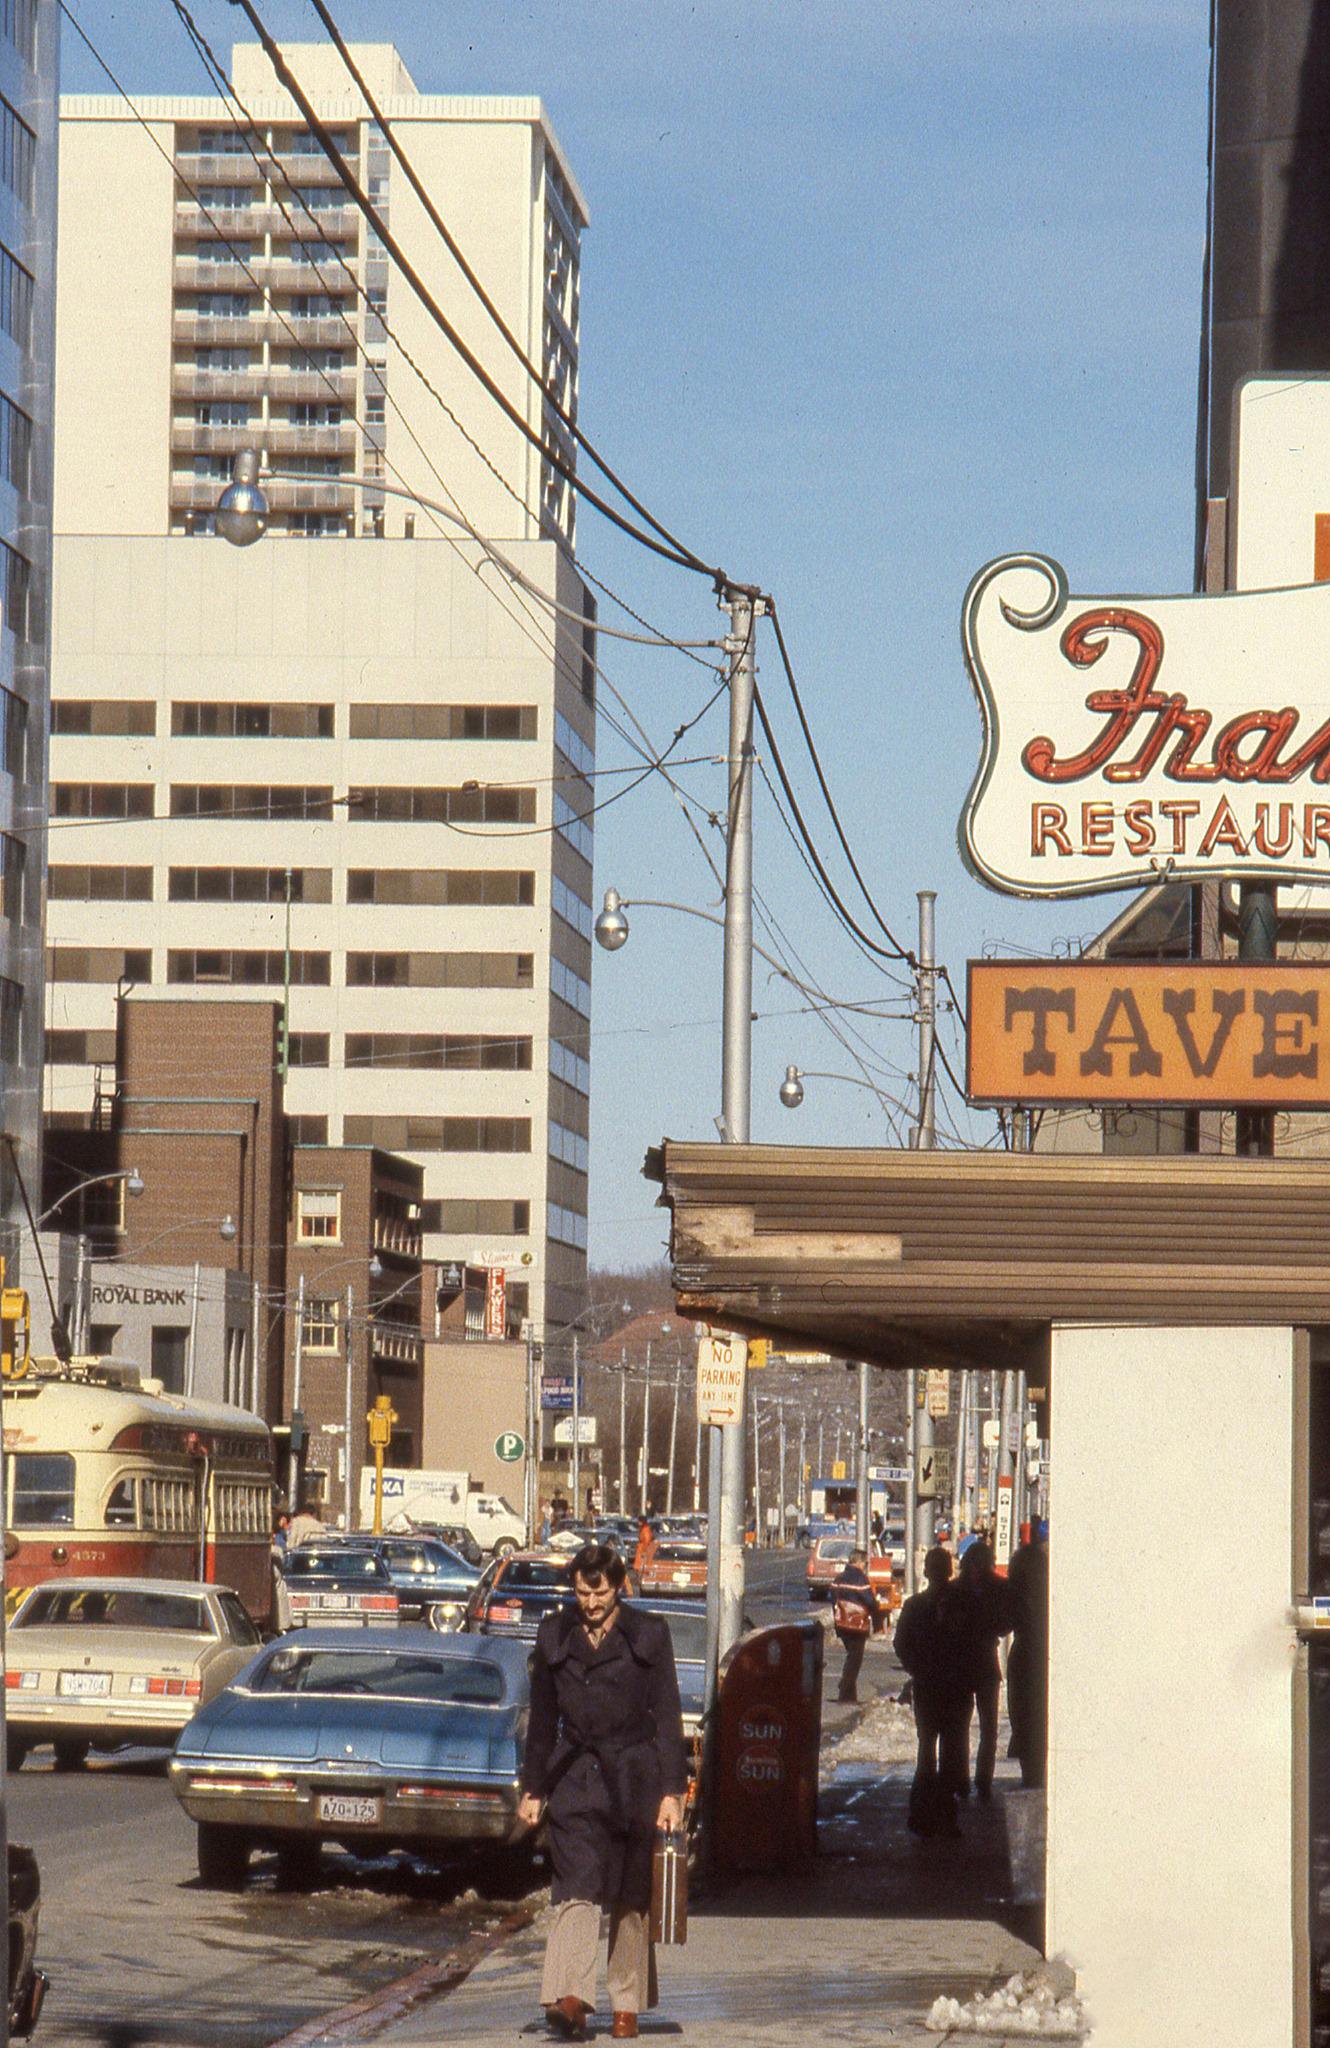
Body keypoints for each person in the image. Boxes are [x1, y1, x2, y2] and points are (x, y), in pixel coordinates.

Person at [519, 1542, 687, 2042]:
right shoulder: (554, 1635)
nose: (590, 1604)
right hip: (576, 1774)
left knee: (630, 1894)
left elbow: (668, 1716)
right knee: (577, 1884)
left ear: (619, 1587)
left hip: (635, 1775)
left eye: (600, 1593)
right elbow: (543, 1720)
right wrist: (534, 1788)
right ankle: (570, 1998)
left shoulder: (650, 1634)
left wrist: (672, 1792)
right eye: (581, 1593)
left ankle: (625, 2005)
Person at [894, 1545, 970, 1839]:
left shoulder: (914, 1606)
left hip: (927, 1686)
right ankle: (946, 1817)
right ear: (950, 1571)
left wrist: (916, 1669)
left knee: (927, 1750)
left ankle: (921, 1814)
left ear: (926, 1572)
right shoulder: (962, 1603)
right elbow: (974, 1642)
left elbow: (900, 1644)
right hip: (956, 1687)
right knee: (952, 1752)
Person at [947, 1538, 1009, 1800]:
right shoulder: (997, 1588)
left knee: (966, 1726)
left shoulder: (954, 1590)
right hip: (981, 1663)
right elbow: (1006, 1622)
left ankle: (970, 1781)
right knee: (982, 1728)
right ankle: (978, 1781)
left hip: (966, 1664)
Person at [1005, 1520, 1049, 1789]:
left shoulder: (1016, 1594)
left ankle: (1030, 1775)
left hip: (1024, 1654)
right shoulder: (1051, 1594)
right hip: (1045, 1655)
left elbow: (1002, 1622)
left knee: (1023, 1716)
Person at [829, 1546, 885, 1703]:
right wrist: (877, 1618)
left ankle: (849, 1695)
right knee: (855, 1659)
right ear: (859, 1563)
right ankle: (845, 1686)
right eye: (865, 1563)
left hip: (841, 1623)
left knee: (851, 1656)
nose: (865, 1566)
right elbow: (869, 1601)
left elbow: (832, 1598)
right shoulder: (861, 1579)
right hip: (857, 1625)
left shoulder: (838, 1579)